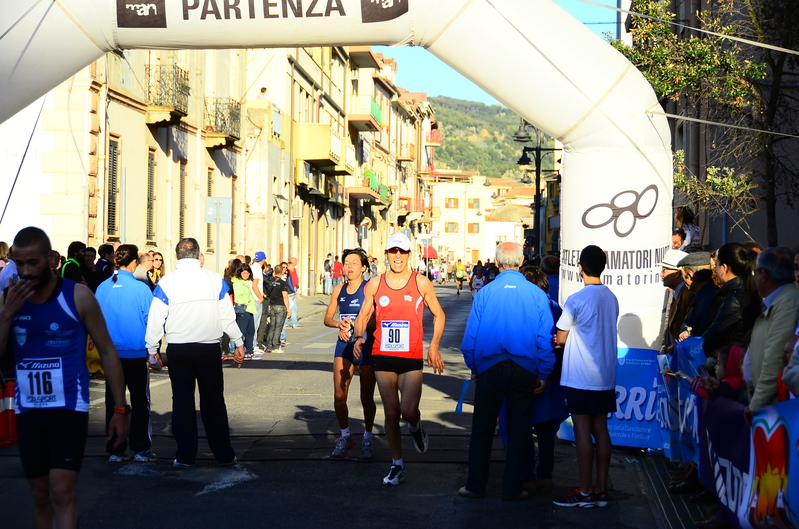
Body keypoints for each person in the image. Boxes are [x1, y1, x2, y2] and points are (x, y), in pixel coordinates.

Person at [0, 227, 129, 529]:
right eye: (19, 264)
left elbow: (108, 353)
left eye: (33, 263)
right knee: (41, 496)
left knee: (61, 493)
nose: (25, 272)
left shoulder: (78, 296)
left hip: (69, 408)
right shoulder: (8, 298)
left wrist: (120, 410)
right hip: (28, 409)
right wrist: (7, 316)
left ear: (51, 259)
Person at [457, 242, 554, 500]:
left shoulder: (485, 293)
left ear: (497, 263)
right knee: (520, 428)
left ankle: (475, 485)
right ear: (521, 261)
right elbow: (544, 338)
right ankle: (513, 487)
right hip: (524, 368)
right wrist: (543, 374)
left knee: (482, 428)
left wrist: (474, 367)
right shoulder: (537, 295)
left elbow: (471, 338)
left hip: (490, 367)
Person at [352, 232, 446, 485]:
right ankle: (397, 464)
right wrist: (358, 337)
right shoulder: (375, 284)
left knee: (408, 410)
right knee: (392, 413)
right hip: (382, 354)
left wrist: (434, 346)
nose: (397, 256)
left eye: (402, 252)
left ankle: (415, 427)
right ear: (386, 254)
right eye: (393, 251)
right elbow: (362, 315)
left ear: (408, 255)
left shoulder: (420, 282)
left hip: (411, 355)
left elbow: (439, 314)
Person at [144, 238, 244, 467]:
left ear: (176, 257)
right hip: (208, 347)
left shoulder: (167, 282)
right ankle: (224, 454)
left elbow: (156, 319)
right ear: (199, 256)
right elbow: (227, 316)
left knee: (182, 402)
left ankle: (185, 455)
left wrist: (152, 349)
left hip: (179, 348)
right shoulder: (214, 279)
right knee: (214, 402)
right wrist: (239, 342)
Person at [553, 245, 618, 508]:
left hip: (581, 375)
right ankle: (600, 490)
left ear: (580, 267)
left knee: (582, 429)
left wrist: (560, 340)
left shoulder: (577, 299)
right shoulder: (611, 296)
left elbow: (560, 336)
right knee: (600, 429)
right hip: (605, 374)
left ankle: (585, 490)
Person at [95, 244, 157, 462]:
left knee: (113, 400)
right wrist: (154, 349)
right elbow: (152, 321)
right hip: (136, 352)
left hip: (110, 353)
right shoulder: (141, 288)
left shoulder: (102, 287)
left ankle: (115, 448)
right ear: (133, 263)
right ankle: (141, 448)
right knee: (140, 401)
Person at [323, 248, 377, 459]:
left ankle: (368, 436)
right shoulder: (338, 290)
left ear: (363, 267)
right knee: (339, 395)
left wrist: (357, 324)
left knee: (366, 397)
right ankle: (346, 435)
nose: (349, 266)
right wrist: (339, 323)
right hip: (344, 345)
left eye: (354, 262)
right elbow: (327, 318)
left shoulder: (369, 289)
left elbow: (377, 320)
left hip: (365, 345)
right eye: (346, 263)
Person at [744, 247, 799, 425]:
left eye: (755, 273)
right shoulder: (778, 301)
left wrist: (756, 404)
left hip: (776, 412)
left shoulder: (788, 302)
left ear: (764, 275)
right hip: (769, 407)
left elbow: (774, 359)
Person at [232, 263, 258, 359]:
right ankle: (239, 351)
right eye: (244, 273)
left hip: (250, 309)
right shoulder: (238, 283)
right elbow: (238, 298)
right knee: (241, 331)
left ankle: (249, 351)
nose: (246, 275)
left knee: (251, 331)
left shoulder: (248, 282)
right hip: (243, 309)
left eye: (247, 273)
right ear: (240, 273)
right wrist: (247, 300)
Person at [265, 263, 291, 354]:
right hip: (280, 306)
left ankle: (269, 345)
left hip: (271, 305)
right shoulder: (283, 283)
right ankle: (276, 346)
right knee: (278, 327)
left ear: (274, 271)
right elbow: (285, 297)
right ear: (282, 272)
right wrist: (288, 309)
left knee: (272, 326)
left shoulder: (269, 281)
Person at [249, 252, 266, 353]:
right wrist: (260, 297)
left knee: (252, 323)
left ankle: (251, 344)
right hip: (256, 298)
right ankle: (253, 345)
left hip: (253, 297)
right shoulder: (257, 269)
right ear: (263, 260)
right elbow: (255, 285)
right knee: (255, 323)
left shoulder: (252, 266)